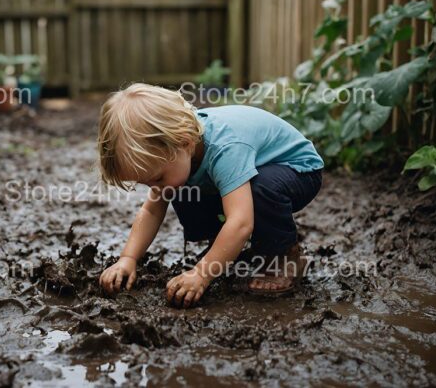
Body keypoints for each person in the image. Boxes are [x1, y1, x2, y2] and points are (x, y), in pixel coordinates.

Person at [97, 83, 324, 307]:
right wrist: (128, 258)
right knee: (177, 186)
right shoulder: (176, 153)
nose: (153, 187)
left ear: (185, 142)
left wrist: (202, 273)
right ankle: (223, 247)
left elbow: (241, 223)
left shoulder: (225, 149)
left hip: (298, 171)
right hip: (249, 171)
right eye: (144, 182)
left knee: (258, 190)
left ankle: (284, 256)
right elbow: (151, 210)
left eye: (156, 178)